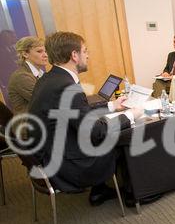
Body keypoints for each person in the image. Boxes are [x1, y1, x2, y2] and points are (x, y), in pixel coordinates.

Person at [28, 31, 142, 206]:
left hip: (49, 152)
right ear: (74, 55)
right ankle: (134, 194)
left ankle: (101, 189)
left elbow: (79, 112)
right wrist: (129, 114)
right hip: (66, 163)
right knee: (125, 137)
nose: (88, 55)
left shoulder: (50, 79)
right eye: (85, 51)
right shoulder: (66, 86)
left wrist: (112, 106)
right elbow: (96, 132)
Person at [8, 36, 48, 115]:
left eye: (45, 51)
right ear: (25, 54)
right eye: (39, 51)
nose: (45, 55)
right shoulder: (21, 77)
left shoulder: (41, 73)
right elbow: (46, 101)